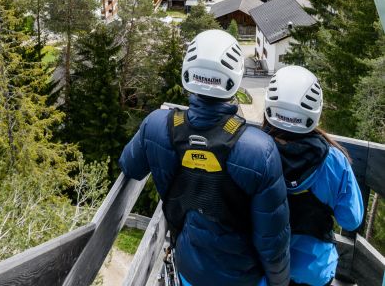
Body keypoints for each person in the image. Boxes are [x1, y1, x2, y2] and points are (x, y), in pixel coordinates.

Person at [119, 29, 290, 286]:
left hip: (190, 268)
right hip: (243, 276)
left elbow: (129, 166)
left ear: (188, 72)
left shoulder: (156, 125)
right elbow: (272, 240)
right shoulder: (260, 149)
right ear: (234, 78)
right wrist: (280, 283)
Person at [263, 66, 364, 286]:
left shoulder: (254, 150)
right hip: (314, 271)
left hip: (265, 266)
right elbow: (351, 219)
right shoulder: (335, 161)